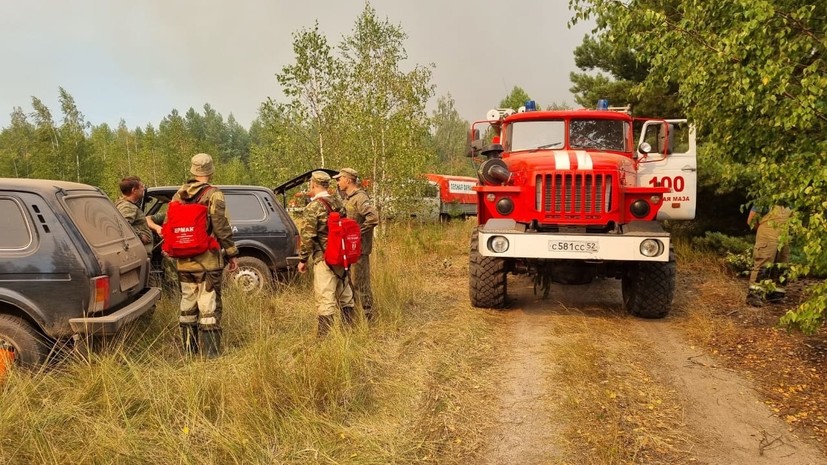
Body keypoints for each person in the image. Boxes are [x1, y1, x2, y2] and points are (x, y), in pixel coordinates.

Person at [168, 153, 239, 357]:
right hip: (207, 262)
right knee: (208, 306)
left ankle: (190, 352)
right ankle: (211, 354)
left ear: (192, 170)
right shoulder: (214, 194)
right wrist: (232, 253)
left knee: (187, 304)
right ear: (211, 171)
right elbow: (221, 226)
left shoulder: (178, 195)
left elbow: (169, 225)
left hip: (184, 263)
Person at [297, 170, 356, 336]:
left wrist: (302, 260)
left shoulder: (313, 207)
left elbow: (308, 236)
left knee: (325, 297)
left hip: (324, 258)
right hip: (342, 255)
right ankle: (349, 330)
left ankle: (325, 338)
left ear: (313, 184)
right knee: (345, 294)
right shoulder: (337, 201)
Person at [334, 167, 380, 321]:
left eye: (340, 178)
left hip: (359, 250)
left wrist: (357, 233)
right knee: (351, 285)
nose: (338, 182)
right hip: (350, 250)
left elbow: (373, 218)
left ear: (348, 180)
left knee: (361, 285)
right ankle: (355, 318)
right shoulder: (347, 198)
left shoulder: (360, 198)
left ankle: (369, 318)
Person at [746, 204, 792, 307]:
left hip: (784, 239)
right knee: (763, 264)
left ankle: (776, 294)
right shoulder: (765, 200)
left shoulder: (789, 201)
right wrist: (766, 230)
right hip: (766, 237)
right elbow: (751, 221)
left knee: (782, 265)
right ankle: (754, 295)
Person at [115, 176, 163, 255]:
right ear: (134, 190)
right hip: (139, 253)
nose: (143, 189)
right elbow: (122, 226)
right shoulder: (127, 207)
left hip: (140, 252)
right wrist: (140, 236)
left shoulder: (128, 205)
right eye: (141, 187)